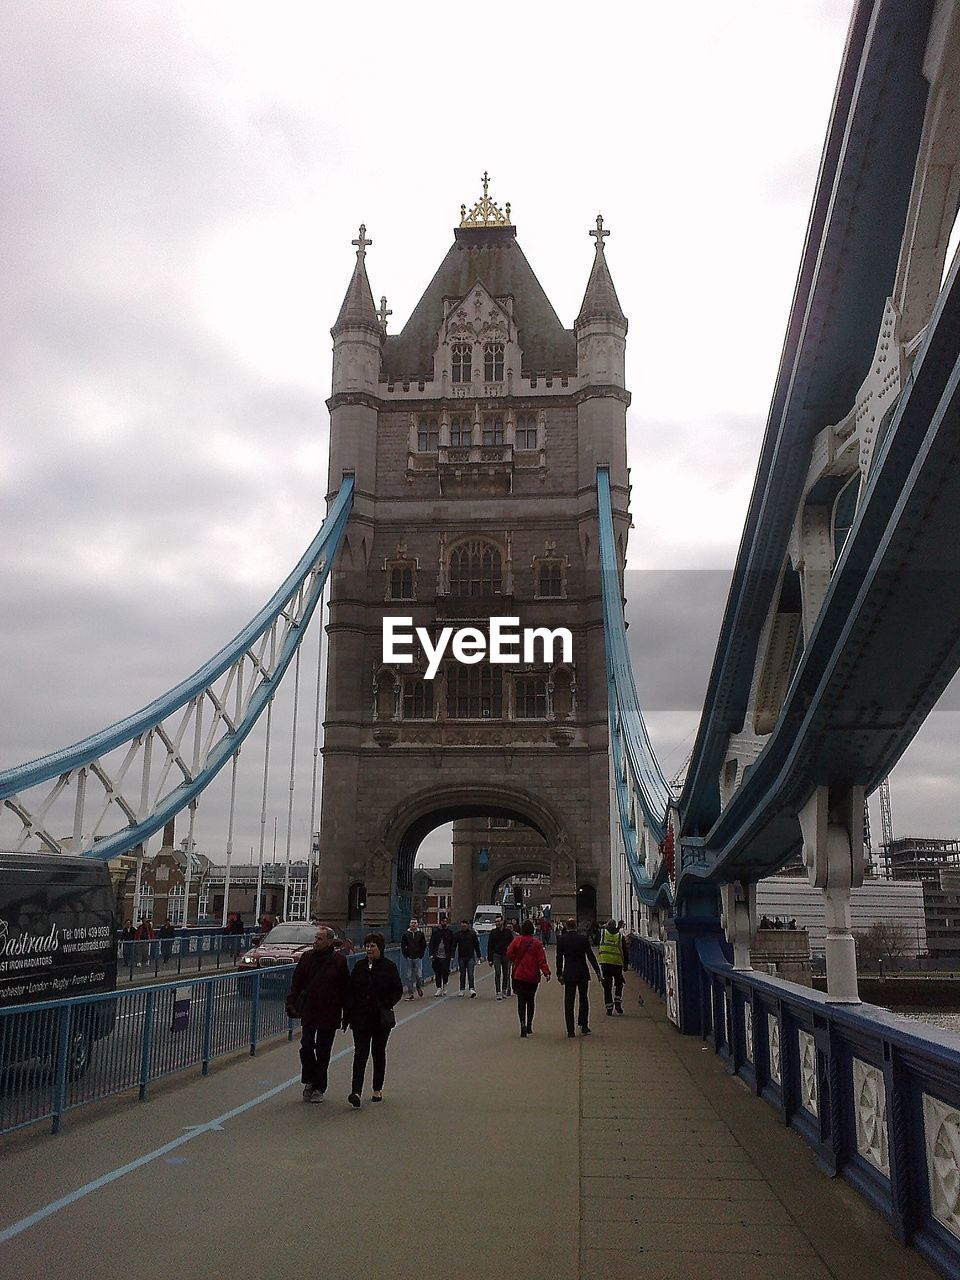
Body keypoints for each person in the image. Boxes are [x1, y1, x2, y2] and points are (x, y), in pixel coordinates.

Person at [286, 926, 349, 1103]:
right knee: (306, 1045)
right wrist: (291, 1002)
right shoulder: (306, 958)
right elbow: (296, 982)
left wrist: (347, 1013)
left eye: (320, 939)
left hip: (330, 1011)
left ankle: (319, 1086)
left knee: (323, 1050)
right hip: (310, 1010)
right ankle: (310, 1079)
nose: (316, 941)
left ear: (330, 941)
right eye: (315, 938)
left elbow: (345, 988)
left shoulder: (339, 961)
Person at [343, 932, 403, 1108]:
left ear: (380, 948)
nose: (369, 949)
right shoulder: (359, 966)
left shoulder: (389, 967)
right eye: (367, 946)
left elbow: (397, 989)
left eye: (372, 946)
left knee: (378, 1053)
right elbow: (350, 990)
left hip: (380, 1020)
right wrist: (349, 1012)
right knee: (360, 1054)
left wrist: (386, 1004)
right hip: (360, 1018)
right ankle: (356, 1092)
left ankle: (377, 1088)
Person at [556, 917, 601, 1037]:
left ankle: (570, 1030)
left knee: (569, 1001)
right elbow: (590, 956)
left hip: (569, 973)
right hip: (582, 972)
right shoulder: (583, 939)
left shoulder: (562, 940)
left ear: (566, 926)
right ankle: (584, 1025)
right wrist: (597, 971)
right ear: (575, 926)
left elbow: (559, 958)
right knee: (583, 999)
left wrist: (559, 973)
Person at [507, 919, 551, 1037]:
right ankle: (529, 1025)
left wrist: (515, 960)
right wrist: (546, 972)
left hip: (519, 975)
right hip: (532, 976)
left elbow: (509, 953)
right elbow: (541, 960)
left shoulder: (517, 940)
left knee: (521, 1001)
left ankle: (522, 1024)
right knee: (531, 1000)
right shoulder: (537, 943)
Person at [598, 918, 629, 1015]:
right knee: (619, 984)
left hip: (605, 963)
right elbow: (625, 951)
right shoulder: (620, 937)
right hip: (617, 964)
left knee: (607, 987)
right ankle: (618, 1002)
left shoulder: (603, 934)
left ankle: (609, 1008)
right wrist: (626, 964)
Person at [451, 918, 482, 997]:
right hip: (461, 956)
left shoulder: (472, 934)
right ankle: (462, 989)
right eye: (462, 925)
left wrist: (479, 956)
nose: (464, 927)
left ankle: (471, 988)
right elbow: (454, 945)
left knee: (471, 973)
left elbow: (476, 945)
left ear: (468, 925)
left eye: (465, 925)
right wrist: (452, 956)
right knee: (462, 974)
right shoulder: (457, 934)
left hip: (470, 956)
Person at [486, 914, 515, 1000]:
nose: (497, 923)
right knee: (497, 972)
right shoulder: (493, 933)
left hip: (506, 955)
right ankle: (498, 992)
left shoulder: (508, 932)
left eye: (499, 921)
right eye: (496, 922)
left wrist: (512, 956)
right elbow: (490, 946)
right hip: (496, 955)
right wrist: (490, 959)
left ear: (502, 921)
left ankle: (504, 990)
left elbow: (512, 944)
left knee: (506, 973)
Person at [400, 917, 427, 1000]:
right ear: (410, 924)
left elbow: (423, 945)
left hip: (418, 957)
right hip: (409, 957)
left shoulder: (420, 934)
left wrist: (421, 955)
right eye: (412, 923)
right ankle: (411, 994)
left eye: (415, 923)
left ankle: (418, 987)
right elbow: (403, 945)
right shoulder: (406, 934)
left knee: (419, 975)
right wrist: (406, 955)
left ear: (417, 924)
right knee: (409, 977)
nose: (413, 924)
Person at [429, 915, 454, 997]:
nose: (444, 923)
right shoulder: (436, 932)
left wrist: (452, 955)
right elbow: (431, 944)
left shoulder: (449, 932)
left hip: (446, 956)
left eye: (446, 922)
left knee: (445, 971)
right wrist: (431, 954)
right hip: (437, 956)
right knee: (437, 972)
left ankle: (445, 985)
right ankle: (439, 988)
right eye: (443, 921)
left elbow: (452, 945)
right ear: (440, 922)